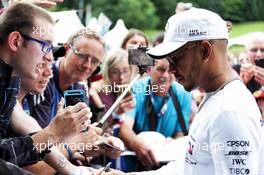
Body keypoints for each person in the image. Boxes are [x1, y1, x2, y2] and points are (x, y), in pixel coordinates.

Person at [103, 8, 264, 175]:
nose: (171, 69)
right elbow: (189, 166)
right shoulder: (218, 99)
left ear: (204, 51)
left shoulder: (228, 110)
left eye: (176, 57)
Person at [0, 2, 93, 175]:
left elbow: (28, 126)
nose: (50, 57)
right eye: (46, 45)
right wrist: (54, 134)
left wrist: (78, 172)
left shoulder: (10, 78)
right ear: (15, 41)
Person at [119, 58, 192, 168]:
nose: (166, 75)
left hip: (167, 161)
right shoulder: (137, 88)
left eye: (171, 71)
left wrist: (173, 144)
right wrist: (136, 143)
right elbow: (125, 129)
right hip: (137, 159)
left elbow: (180, 133)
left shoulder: (184, 93)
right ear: (149, 69)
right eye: (161, 69)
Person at [98, 49, 135, 133]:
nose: (121, 78)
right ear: (107, 73)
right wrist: (117, 114)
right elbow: (102, 130)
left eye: (125, 71)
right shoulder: (103, 95)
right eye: (115, 72)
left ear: (131, 70)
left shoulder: (133, 90)